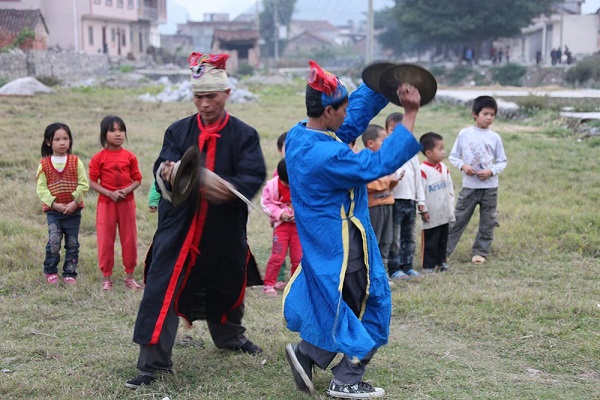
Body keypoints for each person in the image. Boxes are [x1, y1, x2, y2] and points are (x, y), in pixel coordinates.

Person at [126, 53, 266, 389]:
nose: (204, 104)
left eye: (211, 97)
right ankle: (153, 364)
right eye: (198, 97)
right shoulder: (178, 131)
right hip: (180, 227)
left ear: (227, 94)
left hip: (222, 228)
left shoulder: (244, 135)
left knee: (227, 282)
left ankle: (230, 338)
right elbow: (163, 164)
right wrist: (168, 171)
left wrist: (227, 187)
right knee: (162, 289)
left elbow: (254, 173)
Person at [283, 60, 422, 399]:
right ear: (328, 111)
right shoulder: (327, 156)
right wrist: (410, 114)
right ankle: (346, 378)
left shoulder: (302, 136)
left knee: (340, 303)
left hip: (325, 243)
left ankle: (308, 354)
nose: (348, 115)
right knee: (375, 303)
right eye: (342, 109)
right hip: (345, 245)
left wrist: (381, 87)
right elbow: (376, 164)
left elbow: (353, 115)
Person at [446, 96, 508, 265]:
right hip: (469, 186)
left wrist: (491, 171)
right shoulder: (464, 134)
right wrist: (463, 166)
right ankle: (444, 251)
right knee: (458, 219)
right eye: (485, 113)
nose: (489, 118)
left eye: (492, 114)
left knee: (488, 221)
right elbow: (453, 156)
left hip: (490, 187)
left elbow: (502, 161)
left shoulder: (495, 137)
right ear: (475, 114)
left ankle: (480, 251)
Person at [88, 115, 143, 291]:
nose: (118, 134)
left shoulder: (130, 157)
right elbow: (91, 181)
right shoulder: (98, 158)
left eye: (121, 130)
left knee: (129, 239)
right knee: (105, 240)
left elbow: (137, 179)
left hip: (127, 203)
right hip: (106, 204)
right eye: (113, 130)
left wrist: (126, 190)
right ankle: (106, 278)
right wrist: (109, 193)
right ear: (104, 134)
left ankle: (129, 277)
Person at [36, 122, 89, 285]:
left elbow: (83, 184)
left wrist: (74, 202)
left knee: (72, 243)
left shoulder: (75, 161)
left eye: (65, 138)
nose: (62, 142)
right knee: (54, 241)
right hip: (54, 212)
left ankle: (69, 272)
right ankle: (50, 270)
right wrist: (55, 204)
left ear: (70, 141)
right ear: (48, 142)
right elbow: (41, 189)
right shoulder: (44, 165)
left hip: (74, 211)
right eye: (57, 139)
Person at [385, 112, 425, 280]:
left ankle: (407, 265)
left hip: (410, 201)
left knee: (409, 236)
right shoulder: (385, 151)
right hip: (394, 200)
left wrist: (421, 200)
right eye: (393, 130)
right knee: (395, 237)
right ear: (386, 132)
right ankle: (394, 268)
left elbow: (418, 179)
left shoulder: (411, 153)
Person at [362, 124, 399, 281]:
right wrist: (387, 181)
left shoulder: (383, 160)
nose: (386, 144)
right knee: (374, 240)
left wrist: (393, 181)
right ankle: (372, 275)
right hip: (374, 207)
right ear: (371, 143)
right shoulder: (365, 160)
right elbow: (367, 184)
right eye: (383, 141)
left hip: (387, 204)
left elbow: (386, 182)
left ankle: (383, 273)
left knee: (387, 239)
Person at [260, 158, 301, 296]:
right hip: (281, 227)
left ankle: (295, 285)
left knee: (298, 258)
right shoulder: (272, 186)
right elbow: (266, 203)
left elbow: (308, 203)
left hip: (297, 228)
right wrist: (280, 214)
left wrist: (299, 214)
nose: (288, 186)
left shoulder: (301, 184)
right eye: (285, 184)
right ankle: (269, 284)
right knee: (277, 256)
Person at [418, 132, 454, 273]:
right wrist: (423, 209)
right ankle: (428, 265)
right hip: (431, 212)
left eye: (443, 148)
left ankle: (441, 262)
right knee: (430, 240)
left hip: (443, 212)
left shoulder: (444, 168)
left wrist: (450, 207)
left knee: (443, 239)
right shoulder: (423, 171)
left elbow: (450, 189)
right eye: (440, 149)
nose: (443, 152)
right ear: (428, 153)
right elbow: (420, 192)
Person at [274, 131, 289, 290]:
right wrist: (278, 214)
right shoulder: (277, 173)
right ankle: (279, 277)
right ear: (280, 150)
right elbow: (271, 197)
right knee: (280, 249)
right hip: (281, 219)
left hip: (297, 219)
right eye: (287, 147)